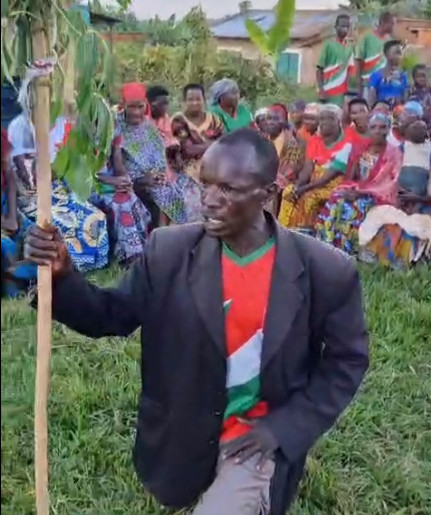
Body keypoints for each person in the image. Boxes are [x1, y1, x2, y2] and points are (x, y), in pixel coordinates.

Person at [26, 127, 369, 515]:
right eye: (204, 184)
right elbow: (112, 315)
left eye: (228, 189)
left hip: (254, 443)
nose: (209, 200)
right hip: (182, 436)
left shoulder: (325, 270)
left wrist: (284, 428)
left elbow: (347, 362)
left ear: (268, 194)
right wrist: (61, 277)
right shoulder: (168, 251)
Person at [7, 113, 109, 273]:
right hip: (31, 191)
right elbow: (20, 166)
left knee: (94, 215)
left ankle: (92, 263)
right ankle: (68, 267)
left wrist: (53, 171)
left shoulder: (60, 122)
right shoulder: (19, 125)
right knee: (61, 222)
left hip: (56, 186)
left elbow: (61, 162)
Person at [316, 113, 402, 254]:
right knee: (337, 197)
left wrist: (360, 193)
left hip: (379, 196)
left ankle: (350, 248)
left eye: (382, 127)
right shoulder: (360, 148)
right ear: (369, 129)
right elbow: (351, 177)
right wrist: (351, 190)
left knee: (357, 206)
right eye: (374, 127)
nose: (378, 131)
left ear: (388, 130)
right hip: (357, 189)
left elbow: (392, 183)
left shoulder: (394, 153)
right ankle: (327, 243)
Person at [113, 83, 189, 227]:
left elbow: (159, 157)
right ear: (123, 105)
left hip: (153, 180)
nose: (136, 112)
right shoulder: (116, 125)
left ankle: (164, 238)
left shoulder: (148, 126)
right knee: (156, 197)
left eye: (140, 107)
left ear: (145, 105)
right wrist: (141, 180)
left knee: (176, 194)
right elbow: (117, 169)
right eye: (131, 107)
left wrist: (156, 176)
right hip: (128, 183)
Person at [359, 119, 430, 269]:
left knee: (415, 224)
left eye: (421, 128)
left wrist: (418, 199)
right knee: (389, 218)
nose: (417, 130)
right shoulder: (401, 149)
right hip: (400, 195)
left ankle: (406, 260)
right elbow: (392, 173)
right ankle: (378, 254)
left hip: (424, 201)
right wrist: (399, 194)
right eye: (414, 127)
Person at [278, 104, 352, 233]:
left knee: (309, 198)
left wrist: (304, 189)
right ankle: (284, 231)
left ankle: (308, 234)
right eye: (322, 119)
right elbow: (307, 168)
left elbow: (329, 177)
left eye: (329, 118)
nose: (324, 122)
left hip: (333, 187)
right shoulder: (315, 141)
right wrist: (298, 186)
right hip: (313, 184)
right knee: (288, 192)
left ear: (338, 121)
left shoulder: (347, 143)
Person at [1, 128, 36, 297]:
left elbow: (9, 176)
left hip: (5, 205)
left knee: (39, 238)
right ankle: (14, 294)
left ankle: (26, 278)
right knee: (7, 246)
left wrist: (12, 217)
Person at [171, 83, 224, 182]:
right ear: (184, 101)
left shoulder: (214, 120)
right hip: (186, 175)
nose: (195, 103)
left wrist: (216, 145)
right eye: (190, 99)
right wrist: (215, 144)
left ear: (204, 100)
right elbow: (189, 150)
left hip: (213, 172)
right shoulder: (178, 120)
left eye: (198, 99)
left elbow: (224, 145)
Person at [263, 104, 305, 216]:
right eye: (268, 119)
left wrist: (276, 177)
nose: (270, 122)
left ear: (283, 122)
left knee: (271, 187)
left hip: (285, 179)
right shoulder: (265, 138)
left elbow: (293, 167)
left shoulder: (290, 141)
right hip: (269, 175)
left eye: (275, 119)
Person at [316, 14, 355, 107]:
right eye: (342, 26)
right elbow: (319, 69)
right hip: (328, 91)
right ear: (336, 27)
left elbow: (350, 70)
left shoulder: (350, 47)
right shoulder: (328, 45)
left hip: (342, 93)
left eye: (347, 27)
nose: (345, 29)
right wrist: (321, 91)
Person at [356, 12, 395, 101]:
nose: (393, 27)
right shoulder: (367, 38)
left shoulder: (390, 41)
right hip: (368, 84)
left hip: (384, 85)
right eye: (392, 23)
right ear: (383, 22)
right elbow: (359, 61)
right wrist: (359, 85)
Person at [368, 40, 409, 109]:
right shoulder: (376, 75)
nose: (399, 56)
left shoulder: (403, 76)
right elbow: (371, 99)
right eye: (397, 52)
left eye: (400, 53)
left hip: (398, 112)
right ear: (387, 54)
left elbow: (405, 97)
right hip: (381, 112)